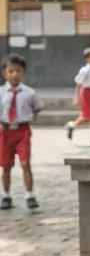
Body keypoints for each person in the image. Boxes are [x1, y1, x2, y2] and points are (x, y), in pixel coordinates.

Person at [1, 54, 43, 211]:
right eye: (10, 71)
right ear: (4, 73)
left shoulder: (29, 93)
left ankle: (30, 195)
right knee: (5, 166)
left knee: (25, 163)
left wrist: (30, 118)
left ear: (23, 72)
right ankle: (5, 195)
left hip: (22, 130)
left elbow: (38, 107)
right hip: (5, 132)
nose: (14, 74)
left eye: (18, 71)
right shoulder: (0, 93)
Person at [66, 47, 90, 146]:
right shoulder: (85, 70)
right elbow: (78, 84)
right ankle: (72, 125)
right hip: (87, 93)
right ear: (88, 59)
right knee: (87, 116)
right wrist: (77, 97)